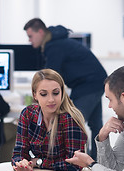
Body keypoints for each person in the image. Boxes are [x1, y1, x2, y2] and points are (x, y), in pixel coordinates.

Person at [23, 18, 107, 160]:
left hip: (88, 84)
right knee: (95, 124)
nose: (30, 41)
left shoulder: (53, 46)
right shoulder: (58, 42)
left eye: (30, 36)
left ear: (41, 32)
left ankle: (76, 160)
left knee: (73, 123)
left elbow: (50, 76)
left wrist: (39, 96)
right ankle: (97, 161)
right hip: (96, 81)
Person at [12, 69, 88, 171]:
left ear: (62, 92)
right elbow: (18, 153)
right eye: (44, 94)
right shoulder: (28, 114)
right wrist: (21, 164)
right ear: (35, 95)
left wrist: (38, 162)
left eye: (56, 93)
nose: (51, 99)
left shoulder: (70, 119)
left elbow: (75, 164)